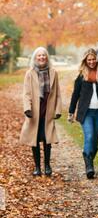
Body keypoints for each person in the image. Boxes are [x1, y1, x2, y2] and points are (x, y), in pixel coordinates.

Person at [68, 48, 98, 179]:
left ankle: (89, 160)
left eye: (93, 59)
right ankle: (89, 167)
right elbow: (75, 95)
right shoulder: (81, 76)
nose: (92, 62)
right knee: (89, 136)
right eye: (89, 60)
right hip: (86, 112)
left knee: (94, 140)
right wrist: (71, 112)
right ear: (85, 61)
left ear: (97, 59)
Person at [20, 47, 62, 176]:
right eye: (39, 55)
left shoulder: (53, 72)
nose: (42, 57)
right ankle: (37, 167)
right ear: (35, 58)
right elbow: (26, 93)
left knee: (47, 138)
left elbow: (58, 94)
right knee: (35, 138)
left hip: (47, 108)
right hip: (35, 111)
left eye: (44, 55)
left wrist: (58, 109)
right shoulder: (30, 73)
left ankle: (47, 166)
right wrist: (27, 108)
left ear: (47, 57)